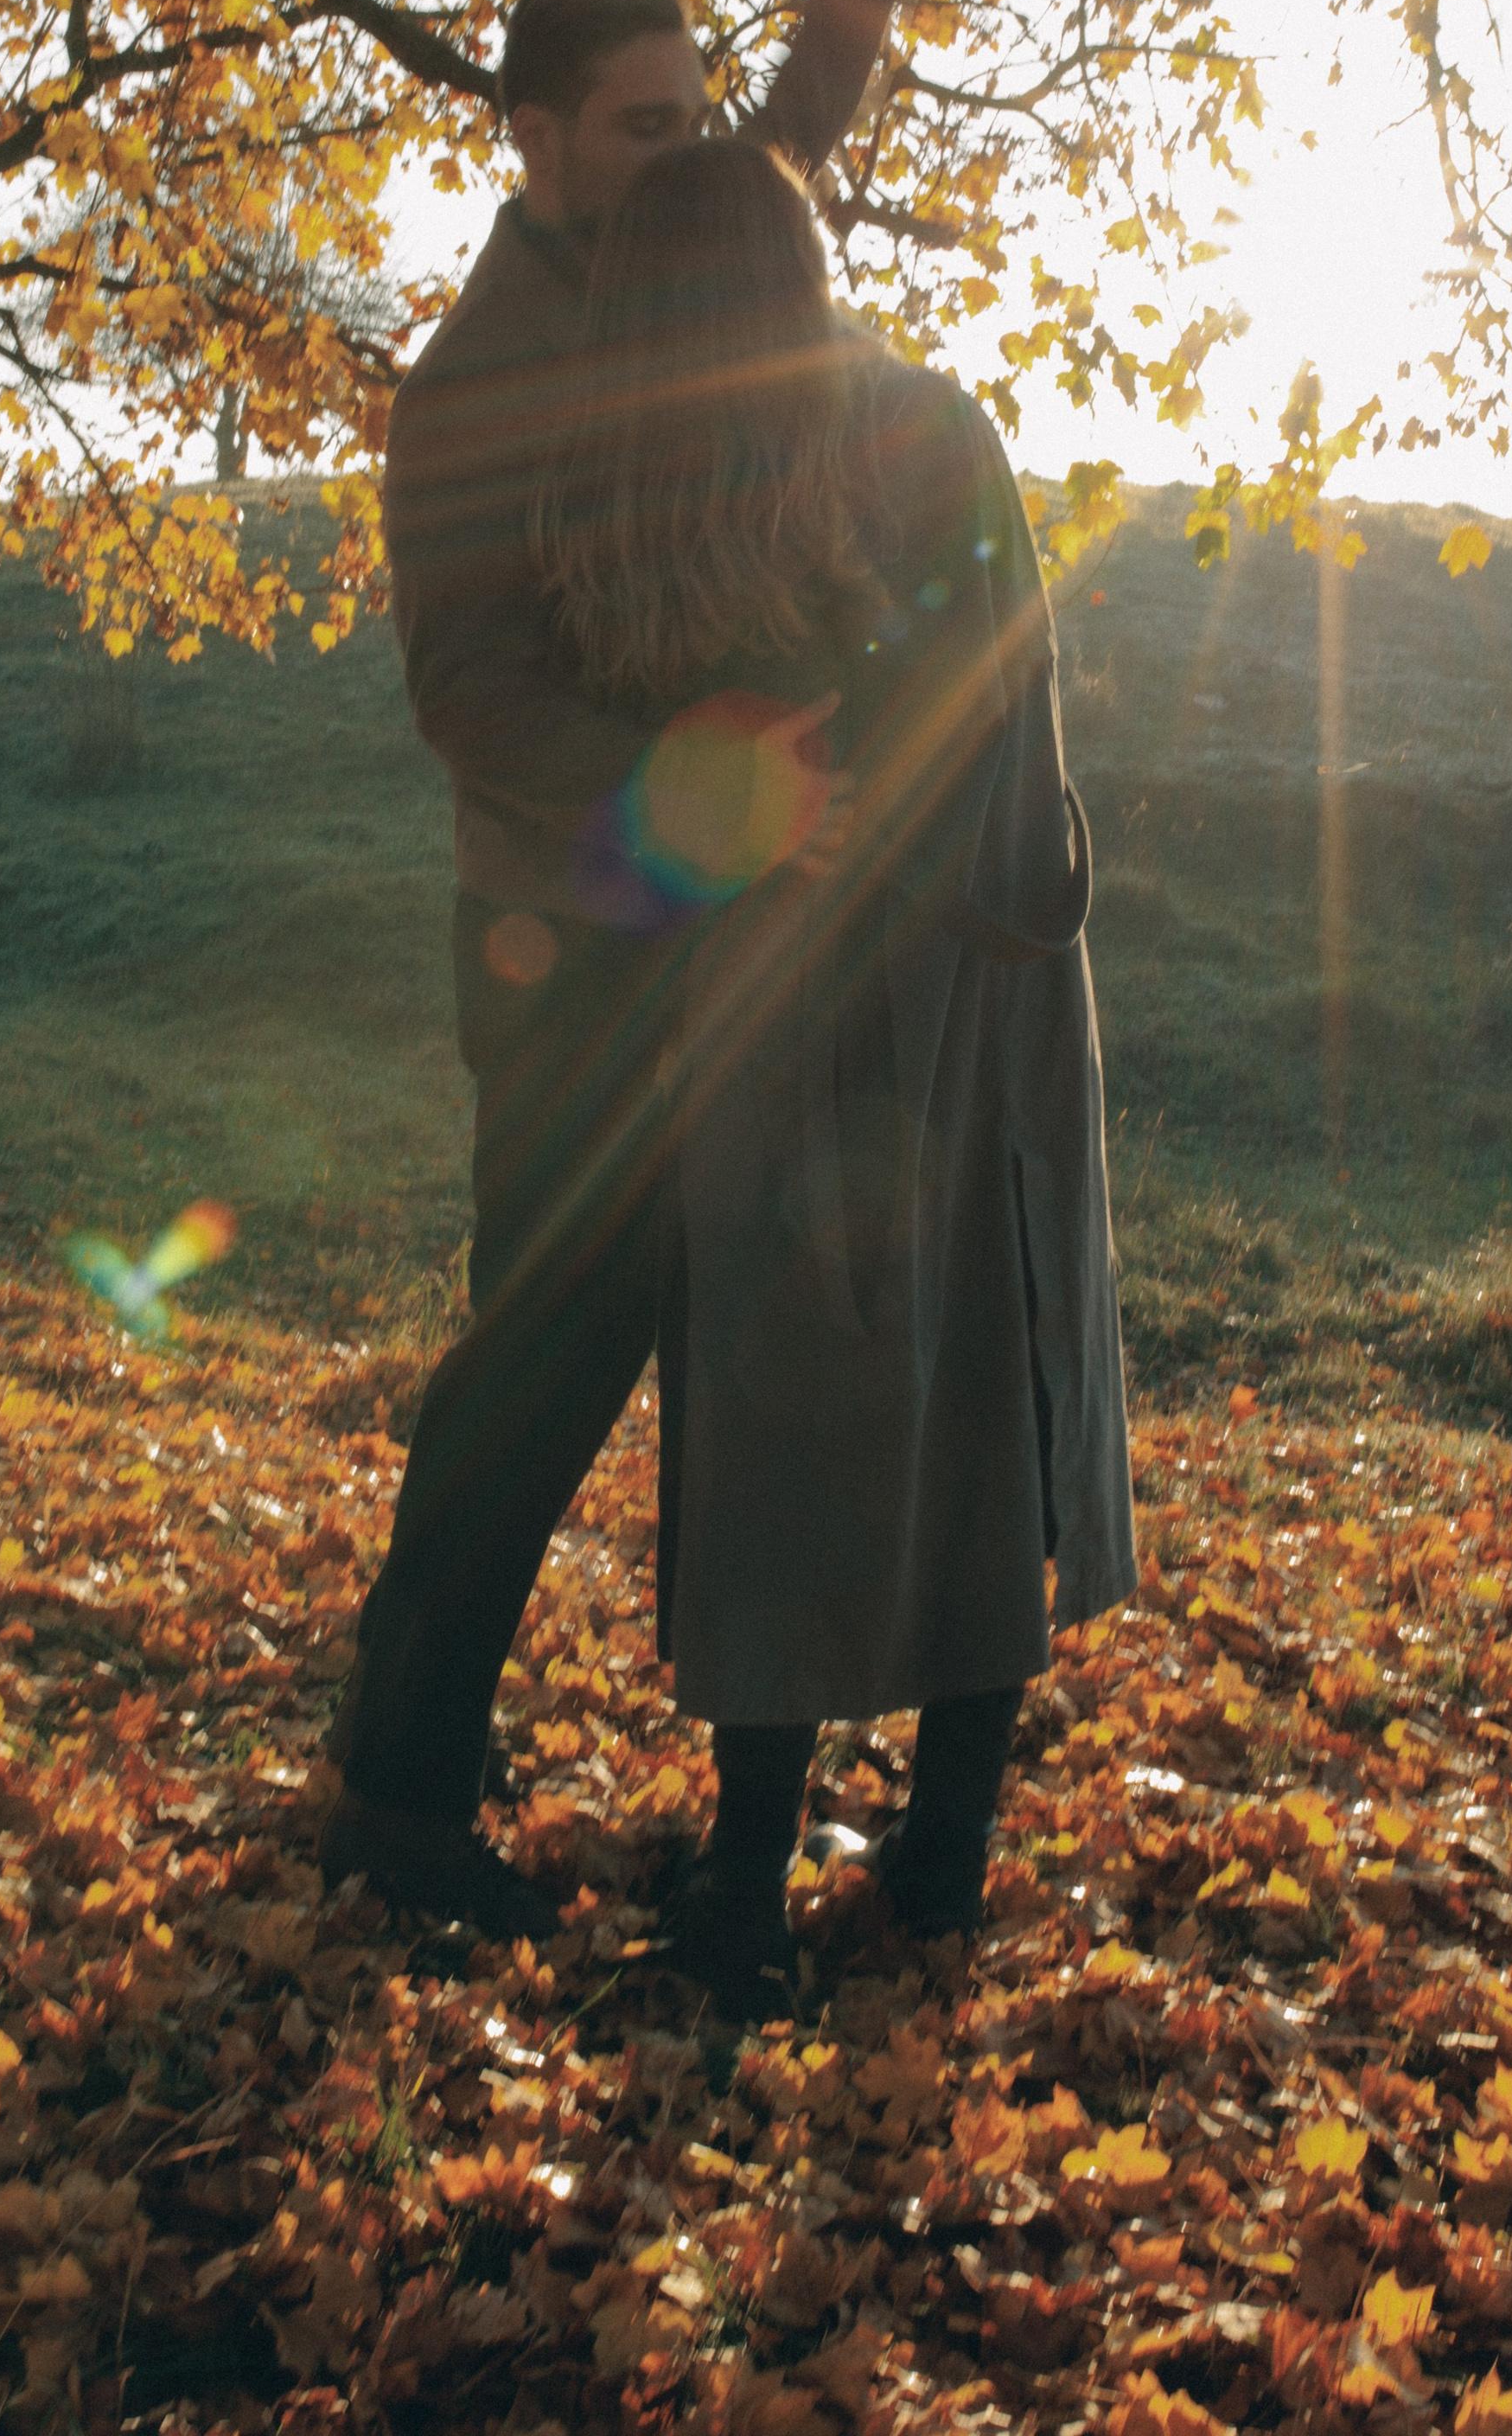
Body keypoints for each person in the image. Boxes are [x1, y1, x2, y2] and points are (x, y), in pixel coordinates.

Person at [316, 0, 951, 1934]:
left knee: (757, 1363)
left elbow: (832, 67)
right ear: (535, 136)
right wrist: (705, 801)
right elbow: (464, 690)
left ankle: (745, 1811)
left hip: (747, 942)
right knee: (542, 1363)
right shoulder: (470, 382)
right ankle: (396, 1784)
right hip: (575, 945)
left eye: (701, 112)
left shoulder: (716, 242)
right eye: (650, 122)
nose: (703, 145)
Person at [530, 137, 1135, 2017]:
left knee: (780, 1412)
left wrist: (725, 821)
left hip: (778, 998)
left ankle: (747, 1882)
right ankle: (928, 1860)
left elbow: (648, 798)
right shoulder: (914, 431)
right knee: (974, 1396)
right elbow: (982, 715)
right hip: (954, 987)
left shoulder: (622, 478)